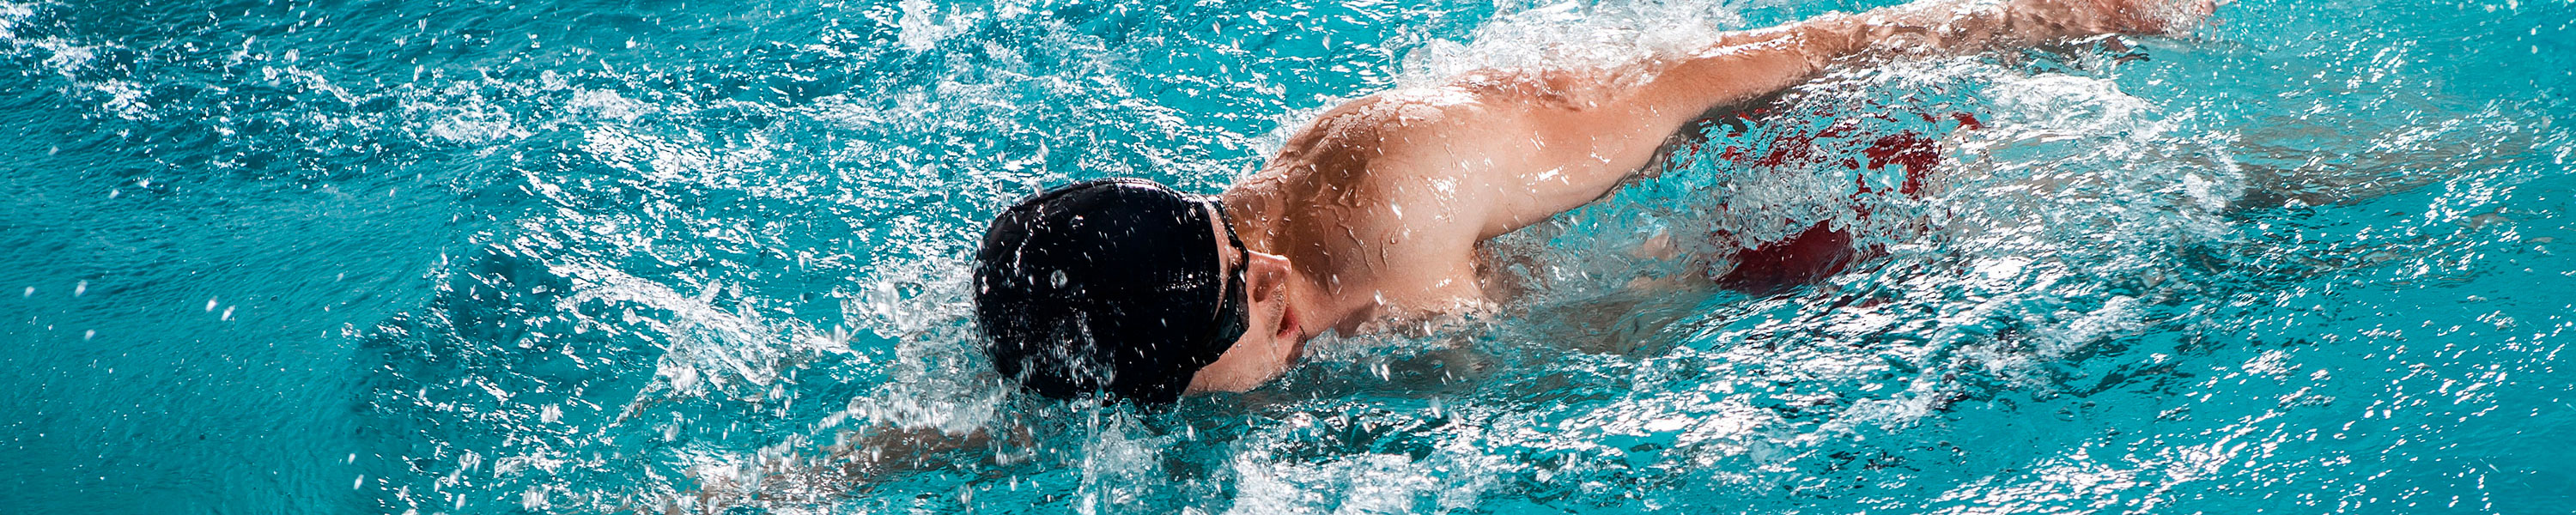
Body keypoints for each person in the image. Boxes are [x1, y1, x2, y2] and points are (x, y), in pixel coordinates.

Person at [973, 0, 2211, 405]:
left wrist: (2064, 20)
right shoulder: (1185, 284)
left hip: (1804, 136)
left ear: (1275, 297)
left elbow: (1709, 80)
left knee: (2209, 209)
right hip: (1574, 207)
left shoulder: (1405, 212)